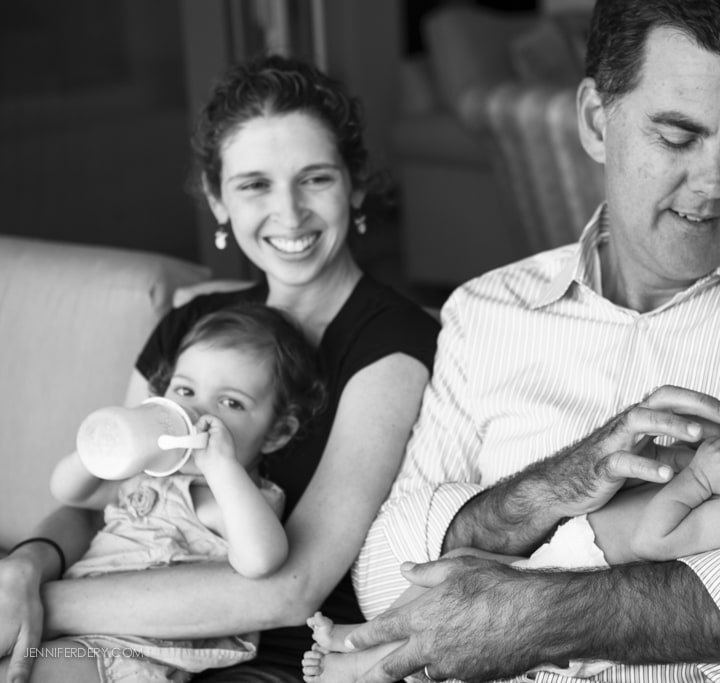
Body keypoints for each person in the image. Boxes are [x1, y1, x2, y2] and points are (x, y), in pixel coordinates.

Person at [347, 1, 720, 682]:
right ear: (597, 120)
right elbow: (383, 576)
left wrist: (536, 615)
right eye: (678, 137)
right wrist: (553, 486)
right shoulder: (486, 311)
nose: (714, 184)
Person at [0, 55, 439, 683]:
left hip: (273, 657)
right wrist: (24, 567)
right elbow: (101, 503)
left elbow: (292, 589)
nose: (289, 213)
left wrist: (40, 607)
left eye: (315, 178)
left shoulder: (391, 341)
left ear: (356, 185)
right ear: (218, 199)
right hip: (106, 624)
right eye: (254, 184)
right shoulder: (193, 323)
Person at [300, 391, 720, 682]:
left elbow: (657, 540)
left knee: (461, 594)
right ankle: (356, 640)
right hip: (567, 549)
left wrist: (696, 478)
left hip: (576, 570)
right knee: (458, 565)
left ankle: (358, 670)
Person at [0, 304, 319, 681]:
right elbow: (70, 493)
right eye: (185, 390)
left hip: (128, 654)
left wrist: (222, 468)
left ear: (277, 433)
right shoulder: (146, 472)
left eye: (230, 403)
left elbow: (262, 560)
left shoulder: (231, 499)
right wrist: (97, 450)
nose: (197, 412)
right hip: (70, 631)